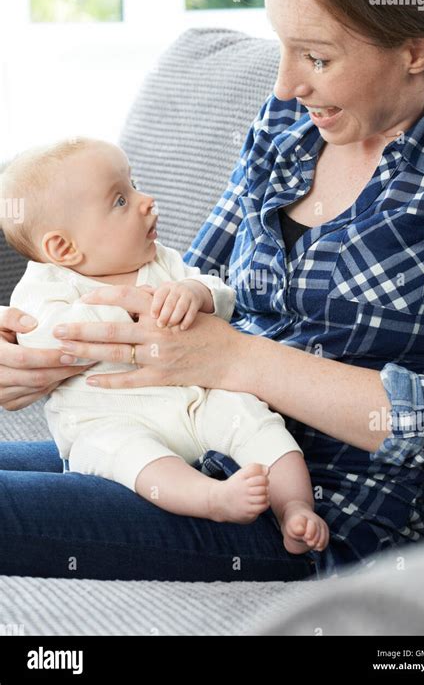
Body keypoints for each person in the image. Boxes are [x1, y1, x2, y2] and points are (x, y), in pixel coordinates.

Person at [0, 0, 424, 582]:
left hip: (337, 500)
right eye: (281, 45)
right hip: (188, 430)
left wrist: (239, 357)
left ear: (417, 50)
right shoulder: (288, 126)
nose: (282, 86)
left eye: (316, 56)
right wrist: (41, 351)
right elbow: (193, 276)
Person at [1, 137, 329, 555]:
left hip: (196, 402)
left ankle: (295, 508)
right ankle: (214, 499)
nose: (146, 200)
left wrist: (196, 292)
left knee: (253, 420)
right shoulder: (46, 286)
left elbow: (223, 298)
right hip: (112, 421)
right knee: (125, 454)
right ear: (64, 248)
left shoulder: (162, 262)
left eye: (134, 184)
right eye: (120, 199)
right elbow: (48, 341)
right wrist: (130, 316)